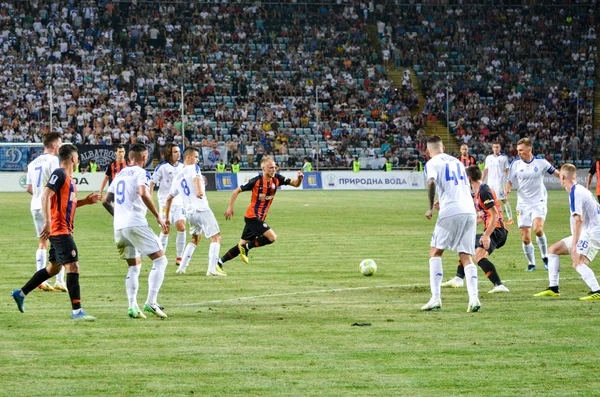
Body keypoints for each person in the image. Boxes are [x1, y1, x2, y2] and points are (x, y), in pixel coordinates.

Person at [12, 144, 101, 320]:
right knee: (73, 266)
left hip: (63, 229)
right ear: (74, 159)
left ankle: (20, 293)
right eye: (78, 158)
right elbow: (45, 196)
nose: (78, 161)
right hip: (60, 230)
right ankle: (77, 311)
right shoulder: (59, 173)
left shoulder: (69, 179)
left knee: (53, 268)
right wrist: (48, 222)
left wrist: (86, 201)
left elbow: (70, 204)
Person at [102, 143, 170, 318]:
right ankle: (151, 302)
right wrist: (157, 216)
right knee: (160, 260)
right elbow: (143, 193)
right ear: (144, 158)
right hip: (136, 223)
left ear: (129, 157)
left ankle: (132, 306)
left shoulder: (120, 174)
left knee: (134, 265)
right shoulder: (142, 173)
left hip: (119, 226)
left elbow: (105, 201)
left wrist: (118, 216)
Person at [421, 136, 480, 312]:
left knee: (435, 251)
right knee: (466, 256)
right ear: (443, 147)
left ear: (427, 151)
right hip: (469, 210)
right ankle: (474, 298)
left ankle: (436, 298)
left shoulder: (432, 163)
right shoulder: (458, 162)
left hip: (451, 211)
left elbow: (431, 181)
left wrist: (431, 207)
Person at [217, 156, 303, 268]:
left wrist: (300, 178)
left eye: (274, 167)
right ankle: (247, 248)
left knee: (241, 245)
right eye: (270, 168)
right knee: (272, 237)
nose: (274, 170)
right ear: (263, 168)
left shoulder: (277, 179)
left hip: (259, 218)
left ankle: (219, 262)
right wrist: (230, 207)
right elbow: (236, 190)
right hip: (252, 217)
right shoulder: (256, 181)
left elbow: (295, 184)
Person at [534, 163, 600, 300]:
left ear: (562, 177)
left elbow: (578, 221)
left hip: (593, 233)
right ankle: (554, 288)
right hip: (586, 232)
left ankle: (597, 290)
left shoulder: (576, 193)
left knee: (578, 262)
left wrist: (575, 246)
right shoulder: (579, 190)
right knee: (553, 250)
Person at [441, 165, 510, 294]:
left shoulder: (484, 191)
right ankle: (459, 278)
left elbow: (494, 215)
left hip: (497, 230)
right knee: (465, 246)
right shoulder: (478, 192)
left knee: (478, 256)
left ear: (468, 178)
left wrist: (486, 235)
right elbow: (482, 216)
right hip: (493, 229)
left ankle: (499, 285)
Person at [164, 147, 226, 276]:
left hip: (190, 213)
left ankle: (181, 268)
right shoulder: (193, 168)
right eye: (196, 157)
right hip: (201, 208)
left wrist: (166, 217)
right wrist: (199, 190)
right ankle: (212, 269)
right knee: (216, 237)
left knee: (195, 238)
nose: (197, 160)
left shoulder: (177, 178)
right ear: (188, 157)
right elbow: (196, 178)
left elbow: (169, 198)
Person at [506, 138, 560, 271]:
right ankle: (531, 263)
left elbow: (556, 173)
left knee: (538, 229)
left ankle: (545, 256)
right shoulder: (515, 164)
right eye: (517, 150)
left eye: (521, 150)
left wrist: (567, 180)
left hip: (538, 201)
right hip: (523, 203)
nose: (518, 153)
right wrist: (507, 189)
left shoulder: (541, 162)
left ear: (529, 149)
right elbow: (509, 181)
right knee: (525, 238)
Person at [25, 132, 66, 292]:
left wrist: (39, 196)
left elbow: (29, 188)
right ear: (55, 144)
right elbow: (60, 181)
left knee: (43, 242)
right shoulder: (54, 161)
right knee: (61, 240)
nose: (61, 146)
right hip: (50, 206)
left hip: (35, 205)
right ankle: (60, 280)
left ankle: (39, 277)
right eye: (60, 143)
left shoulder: (32, 163)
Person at [149, 143, 186, 266]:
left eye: (179, 151)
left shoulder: (183, 167)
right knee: (166, 229)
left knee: (182, 226)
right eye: (175, 152)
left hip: (179, 201)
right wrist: (150, 197)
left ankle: (180, 257)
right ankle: (161, 257)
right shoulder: (162, 167)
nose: (178, 154)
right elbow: (152, 183)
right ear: (169, 153)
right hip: (165, 201)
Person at [483, 142, 513, 224]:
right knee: (490, 200)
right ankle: (496, 217)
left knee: (503, 199)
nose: (496, 148)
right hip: (490, 183)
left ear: (500, 148)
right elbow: (486, 169)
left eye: (497, 147)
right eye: (494, 147)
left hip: (500, 183)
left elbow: (507, 170)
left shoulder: (504, 158)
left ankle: (510, 218)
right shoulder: (488, 158)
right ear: (492, 148)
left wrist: (509, 182)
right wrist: (482, 180)